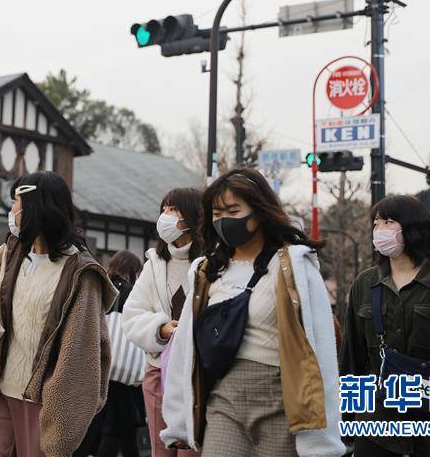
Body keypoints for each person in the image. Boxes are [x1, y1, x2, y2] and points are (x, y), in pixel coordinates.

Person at [161, 168, 344, 456]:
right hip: (223, 400)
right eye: (216, 214)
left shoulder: (294, 266)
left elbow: (320, 351)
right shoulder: (207, 271)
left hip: (281, 403)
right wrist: (178, 421)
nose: (223, 221)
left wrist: (324, 439)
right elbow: (185, 347)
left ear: (259, 212)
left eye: (233, 210)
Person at [0, 171, 117, 457]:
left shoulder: (81, 272)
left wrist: (62, 414)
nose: (12, 210)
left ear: (36, 206)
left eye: (16, 201)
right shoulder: (7, 253)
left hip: (43, 400)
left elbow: (80, 355)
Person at [340, 194, 430, 456]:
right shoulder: (365, 284)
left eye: (388, 222)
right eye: (376, 223)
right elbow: (352, 357)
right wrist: (346, 422)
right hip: (377, 422)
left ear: (412, 228)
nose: (379, 231)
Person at [121, 187, 202, 457]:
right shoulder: (154, 263)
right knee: (161, 450)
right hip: (158, 370)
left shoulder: (208, 263)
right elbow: (133, 314)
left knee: (192, 448)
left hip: (196, 375)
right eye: (164, 210)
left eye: (174, 210)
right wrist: (161, 328)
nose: (165, 216)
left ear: (192, 217)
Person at [76, 249, 146, 457]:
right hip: (122, 369)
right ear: (131, 271)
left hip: (98, 362)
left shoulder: (100, 287)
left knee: (100, 420)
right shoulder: (131, 293)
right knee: (118, 426)